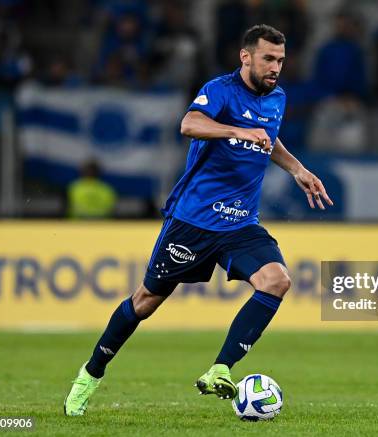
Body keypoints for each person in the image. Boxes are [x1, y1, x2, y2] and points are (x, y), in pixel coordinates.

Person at [64, 24, 333, 416]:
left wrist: (297, 169)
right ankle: (90, 373)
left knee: (277, 280)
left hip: (240, 224)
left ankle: (220, 369)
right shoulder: (221, 90)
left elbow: (268, 138)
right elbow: (189, 124)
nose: (276, 67)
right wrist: (236, 130)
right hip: (194, 221)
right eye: (268, 59)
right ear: (246, 57)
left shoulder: (278, 98)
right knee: (144, 302)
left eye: (280, 60)